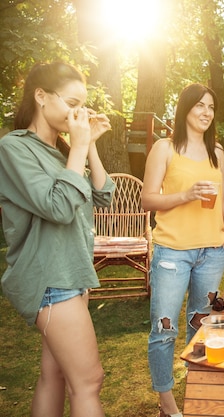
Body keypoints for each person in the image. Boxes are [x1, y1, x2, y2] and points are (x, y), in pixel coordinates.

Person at [0, 62, 113, 417]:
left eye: (83, 105)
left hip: (72, 274)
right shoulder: (14, 148)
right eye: (71, 102)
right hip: (50, 279)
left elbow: (104, 195)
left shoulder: (65, 150)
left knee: (54, 376)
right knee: (89, 381)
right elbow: (59, 207)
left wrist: (88, 144)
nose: (78, 112)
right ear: (41, 96)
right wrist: (77, 148)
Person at [142, 83, 224, 417]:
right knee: (164, 330)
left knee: (202, 326)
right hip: (172, 252)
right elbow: (147, 199)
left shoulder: (217, 152)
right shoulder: (165, 148)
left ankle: (197, 390)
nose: (206, 112)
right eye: (199, 106)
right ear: (185, 109)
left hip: (211, 251)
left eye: (211, 107)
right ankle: (167, 403)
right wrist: (186, 195)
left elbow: (223, 193)